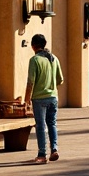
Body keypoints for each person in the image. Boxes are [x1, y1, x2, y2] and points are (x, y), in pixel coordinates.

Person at [23, 34, 64, 164]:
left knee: (40, 126)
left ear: (33, 46)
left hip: (39, 98)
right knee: (52, 123)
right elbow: (60, 80)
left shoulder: (34, 60)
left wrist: (26, 99)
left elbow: (30, 82)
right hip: (53, 97)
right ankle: (54, 149)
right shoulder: (54, 58)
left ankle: (42, 154)